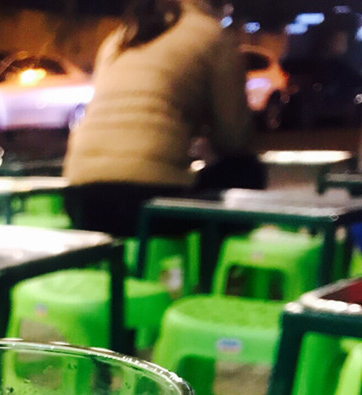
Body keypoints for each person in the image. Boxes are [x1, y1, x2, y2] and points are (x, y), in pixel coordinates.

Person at [62, 0, 258, 237]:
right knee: (247, 170)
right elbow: (235, 138)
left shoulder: (120, 38)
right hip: (146, 201)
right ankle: (214, 257)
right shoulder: (213, 35)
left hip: (79, 197)